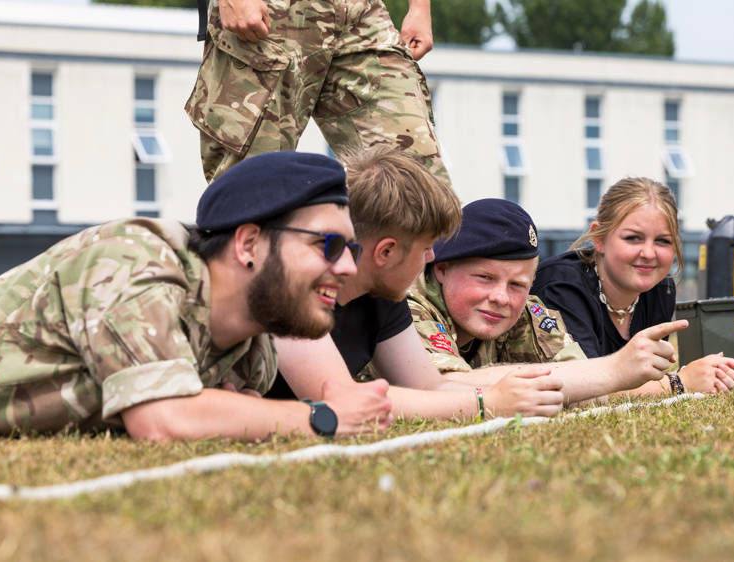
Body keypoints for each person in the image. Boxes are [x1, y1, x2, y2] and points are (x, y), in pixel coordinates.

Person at [0, 152, 392, 440]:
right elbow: (162, 420)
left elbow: (198, 419)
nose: (348, 268)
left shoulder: (252, 355)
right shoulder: (132, 262)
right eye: (328, 245)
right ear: (248, 245)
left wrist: (232, 416)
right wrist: (324, 417)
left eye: (351, 250)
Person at [271, 148, 565, 419]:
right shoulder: (293, 287)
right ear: (386, 252)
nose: (431, 257)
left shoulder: (381, 294)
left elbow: (428, 387)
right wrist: (486, 403)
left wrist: (497, 397)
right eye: (425, 248)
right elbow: (342, 400)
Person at [407, 198, 691, 404]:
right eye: (484, 277)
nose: (501, 298)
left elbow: (581, 381)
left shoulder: (527, 311)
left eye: (518, 284)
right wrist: (617, 370)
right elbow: (438, 385)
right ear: (442, 269)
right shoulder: (409, 305)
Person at [185, 0, 447, 185]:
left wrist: (420, 7)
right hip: (270, 13)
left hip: (361, 14)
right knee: (255, 193)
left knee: (418, 187)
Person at [532, 177, 734, 395]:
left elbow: (640, 380)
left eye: (663, 241)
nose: (649, 254)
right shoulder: (561, 288)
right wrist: (681, 383)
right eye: (633, 238)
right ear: (600, 239)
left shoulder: (661, 289)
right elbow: (579, 389)